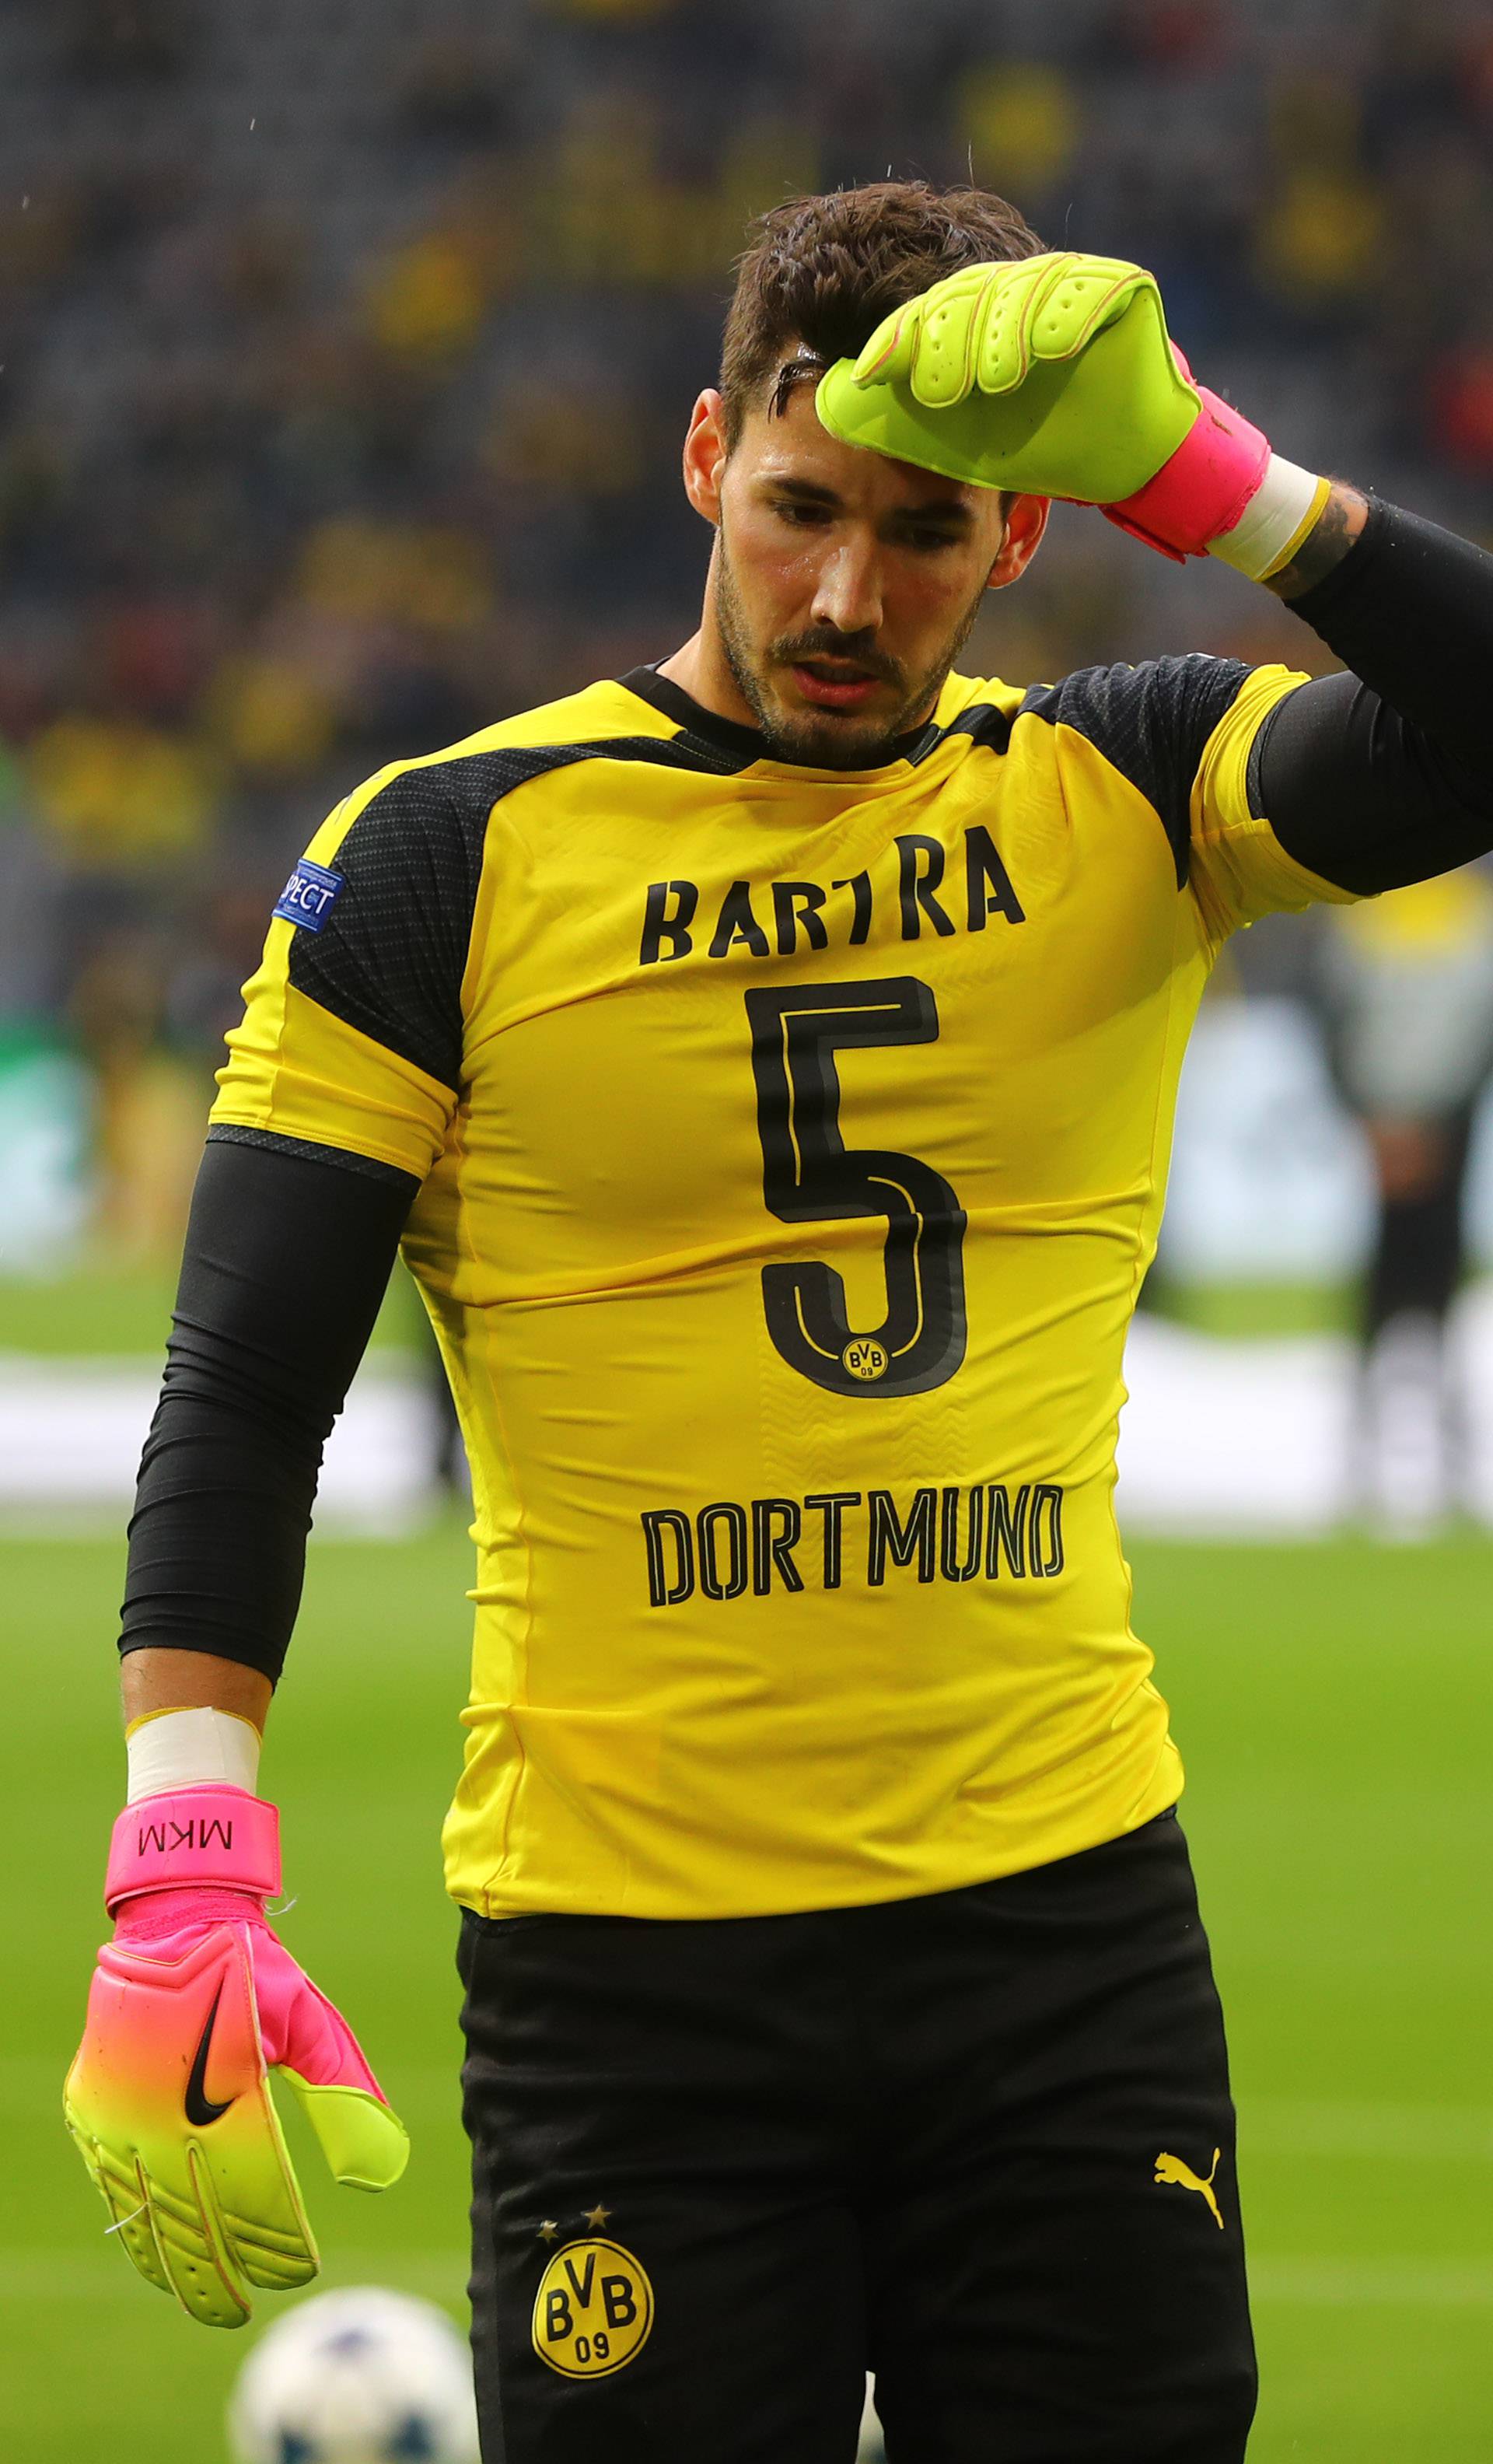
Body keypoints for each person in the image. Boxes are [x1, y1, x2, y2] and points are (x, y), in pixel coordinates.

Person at [65, 183, 1493, 2462]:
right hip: (632, 1972)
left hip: (1057, 1938)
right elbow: (246, 1382)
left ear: (1024, 536)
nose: (847, 593)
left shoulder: (1118, 786)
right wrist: (183, 1854)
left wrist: (1228, 482)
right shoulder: (451, 855)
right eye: (802, 507)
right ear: (707, 459)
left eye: (924, 534)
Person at [1316, 867, 1493, 1533]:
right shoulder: (1372, 907)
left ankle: (1452, 1464)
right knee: (1381, 1294)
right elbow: (1330, 1019)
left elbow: (1481, 1035)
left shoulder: (1464, 909)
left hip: (1438, 1137)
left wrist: (1432, 1125)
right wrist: (1367, 1118)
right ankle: (1359, 1464)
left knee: (1436, 1295)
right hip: (1389, 1135)